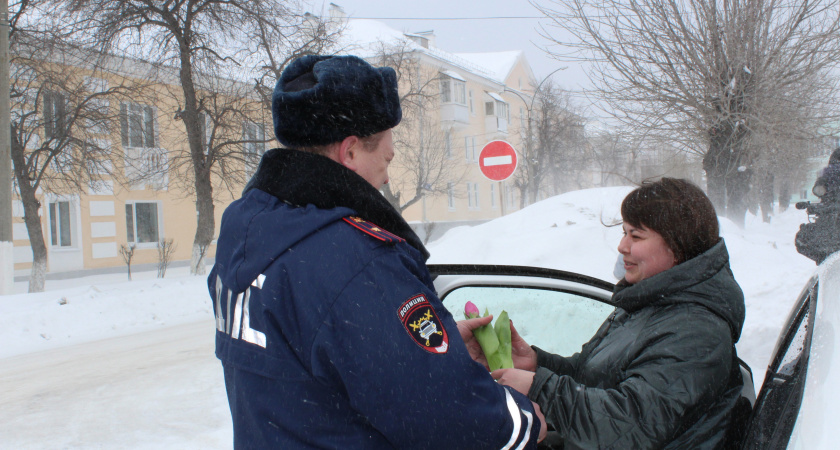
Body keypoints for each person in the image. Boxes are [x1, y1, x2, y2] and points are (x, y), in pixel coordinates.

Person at [208, 54, 544, 449]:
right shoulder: (355, 258)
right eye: (385, 157)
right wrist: (522, 420)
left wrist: (433, 347)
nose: (387, 175)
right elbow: (444, 416)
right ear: (349, 152)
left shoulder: (248, 229)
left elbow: (319, 357)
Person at [461, 178, 747, 449]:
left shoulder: (697, 331)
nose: (622, 246)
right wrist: (536, 364)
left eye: (636, 235)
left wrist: (541, 389)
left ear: (678, 246)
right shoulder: (652, 304)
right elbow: (594, 378)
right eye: (624, 233)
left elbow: (629, 427)